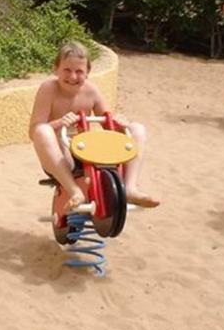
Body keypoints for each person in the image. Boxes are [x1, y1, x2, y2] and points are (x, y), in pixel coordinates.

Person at [29, 41, 159, 212]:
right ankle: (74, 191)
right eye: (67, 70)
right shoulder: (48, 89)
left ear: (88, 72)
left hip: (86, 152)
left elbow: (108, 123)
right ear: (56, 69)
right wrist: (60, 123)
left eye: (79, 72)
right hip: (61, 154)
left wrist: (119, 122)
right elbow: (34, 131)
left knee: (137, 129)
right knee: (43, 130)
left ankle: (129, 187)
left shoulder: (91, 91)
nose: (73, 77)